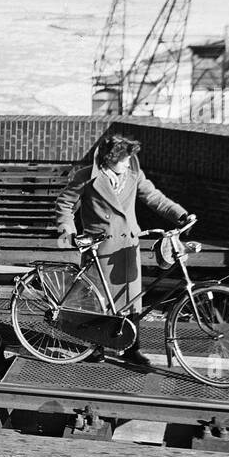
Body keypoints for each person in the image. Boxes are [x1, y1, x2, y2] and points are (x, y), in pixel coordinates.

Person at [54, 132, 194, 369]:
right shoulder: (86, 176)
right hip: (100, 247)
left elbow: (154, 197)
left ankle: (132, 350)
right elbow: (65, 203)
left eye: (130, 157)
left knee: (132, 301)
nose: (128, 162)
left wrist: (180, 214)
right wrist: (68, 230)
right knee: (97, 301)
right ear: (109, 158)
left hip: (127, 248)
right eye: (124, 158)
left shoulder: (134, 174)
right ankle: (94, 347)